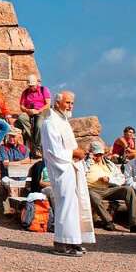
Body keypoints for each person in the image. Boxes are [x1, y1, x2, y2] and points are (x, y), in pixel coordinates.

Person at [39, 91, 95, 256]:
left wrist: (78, 154)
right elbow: (53, 151)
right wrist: (74, 154)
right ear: (57, 102)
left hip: (72, 167)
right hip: (61, 169)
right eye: (68, 102)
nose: (70, 106)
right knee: (65, 204)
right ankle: (62, 243)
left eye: (72, 103)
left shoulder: (63, 121)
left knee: (75, 204)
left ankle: (74, 240)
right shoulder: (50, 123)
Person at [84, 142, 136, 233]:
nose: (98, 157)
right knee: (92, 195)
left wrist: (109, 179)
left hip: (108, 188)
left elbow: (121, 178)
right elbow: (81, 173)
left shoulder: (109, 164)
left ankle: (135, 224)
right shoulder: (85, 163)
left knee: (128, 190)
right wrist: (89, 160)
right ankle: (108, 221)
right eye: (96, 154)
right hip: (92, 189)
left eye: (100, 154)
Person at [15, 75, 50, 156]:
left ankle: (37, 147)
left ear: (37, 83)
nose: (31, 87)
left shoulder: (43, 90)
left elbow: (48, 104)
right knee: (21, 118)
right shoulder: (25, 92)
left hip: (42, 111)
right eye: (30, 86)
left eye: (33, 86)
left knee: (38, 125)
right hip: (30, 111)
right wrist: (28, 110)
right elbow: (21, 106)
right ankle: (33, 139)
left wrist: (38, 111)